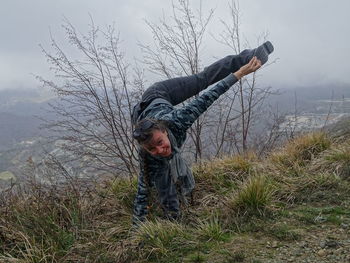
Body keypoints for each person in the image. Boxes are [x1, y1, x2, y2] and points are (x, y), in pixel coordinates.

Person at [131, 41, 274, 225]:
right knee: (162, 181)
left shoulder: (177, 120)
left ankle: (249, 55)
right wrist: (136, 232)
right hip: (143, 116)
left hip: (158, 94)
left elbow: (208, 96)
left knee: (202, 79)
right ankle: (174, 222)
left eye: (160, 142)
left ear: (165, 131)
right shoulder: (147, 154)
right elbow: (142, 192)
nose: (159, 149)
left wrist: (240, 73)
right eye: (152, 148)